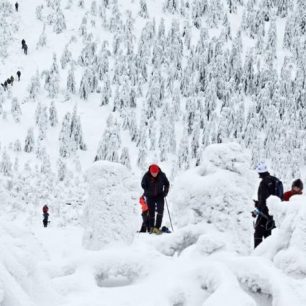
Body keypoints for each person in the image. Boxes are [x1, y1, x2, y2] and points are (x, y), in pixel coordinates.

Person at [253, 162, 279, 248]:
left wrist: (257, 210)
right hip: (275, 213)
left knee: (258, 234)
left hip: (264, 214)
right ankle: (268, 256)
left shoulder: (263, 183)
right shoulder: (276, 180)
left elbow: (264, 200)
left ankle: (257, 255)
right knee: (269, 236)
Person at [141, 164, 169, 234]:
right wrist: (146, 189)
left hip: (160, 195)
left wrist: (165, 192)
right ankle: (151, 227)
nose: (154, 174)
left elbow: (167, 183)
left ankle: (157, 227)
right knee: (151, 212)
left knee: (160, 211)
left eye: (155, 173)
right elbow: (142, 184)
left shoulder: (162, 175)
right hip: (150, 196)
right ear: (150, 172)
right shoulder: (146, 175)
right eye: (152, 173)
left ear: (158, 171)